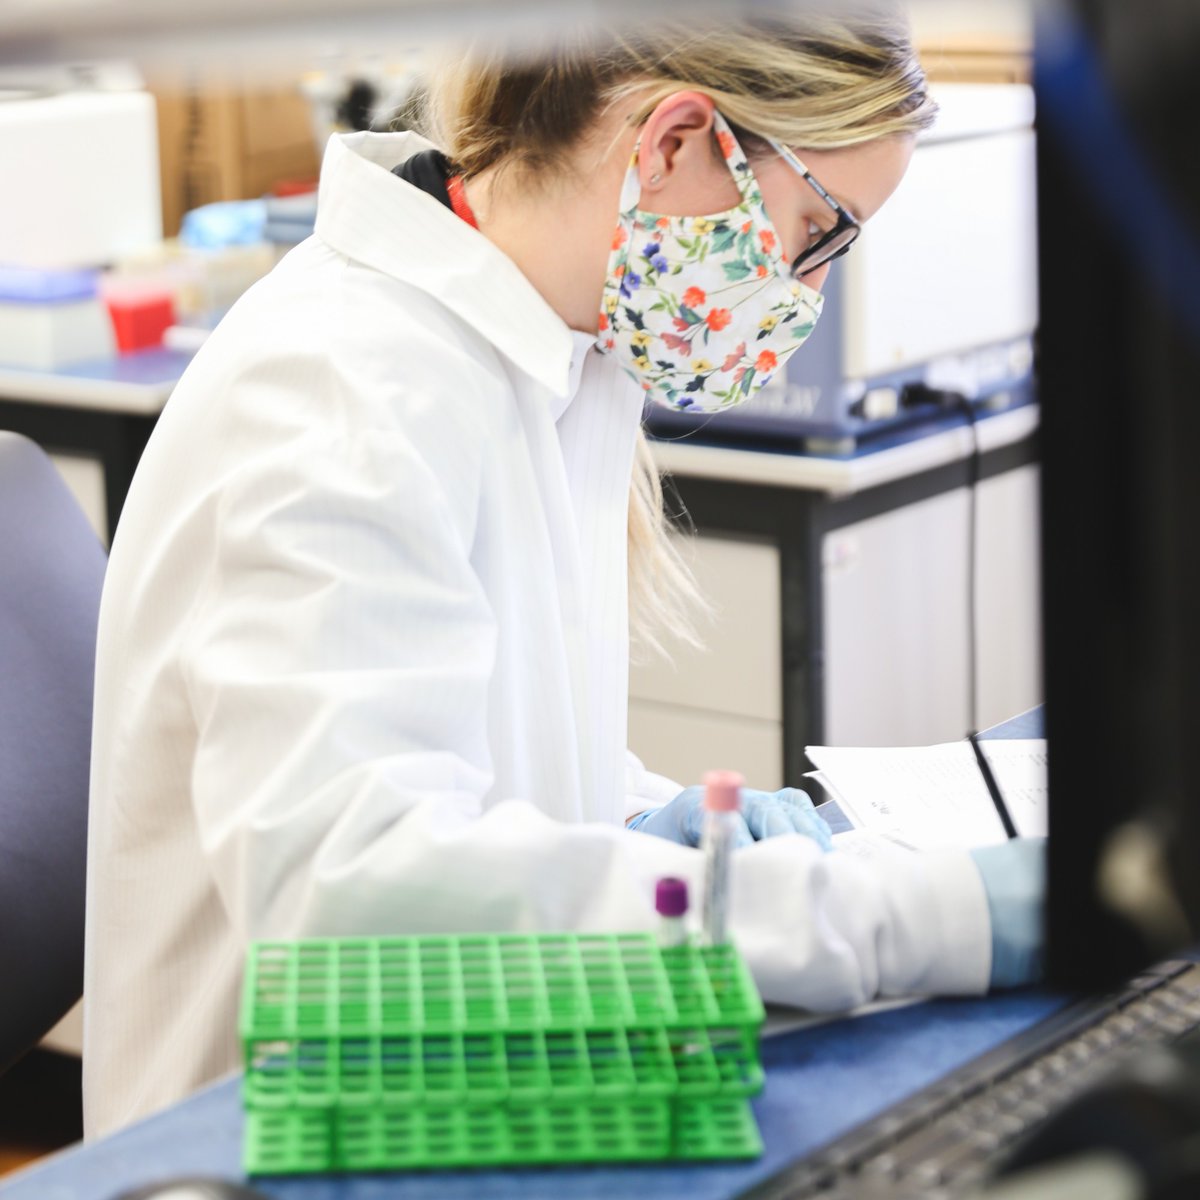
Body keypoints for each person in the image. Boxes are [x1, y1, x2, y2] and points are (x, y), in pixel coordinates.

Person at [83, 9, 1045, 1137]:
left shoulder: (564, 356)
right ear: (678, 141)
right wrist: (900, 916)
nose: (807, 290)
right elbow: (355, 905)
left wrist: (652, 822)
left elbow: (473, 749)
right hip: (263, 1133)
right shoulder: (341, 390)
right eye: (816, 232)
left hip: (469, 1074)